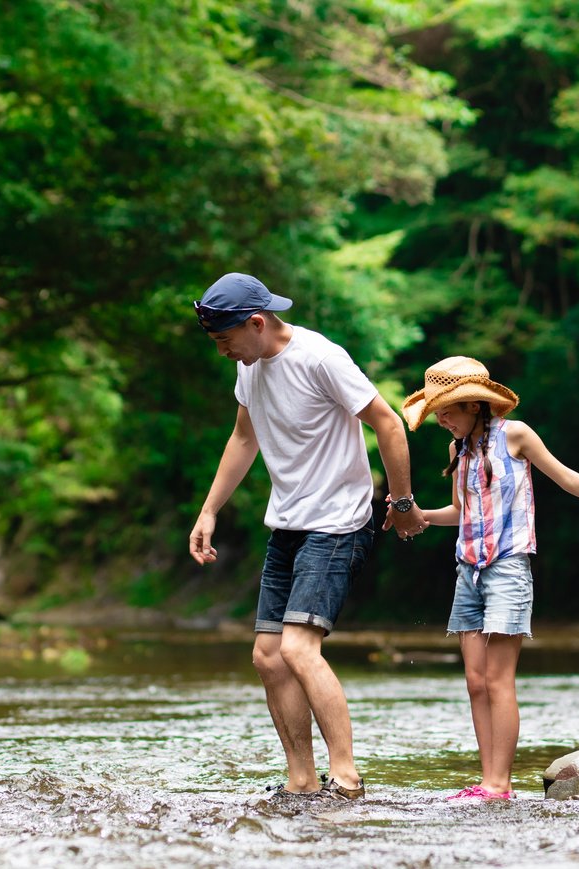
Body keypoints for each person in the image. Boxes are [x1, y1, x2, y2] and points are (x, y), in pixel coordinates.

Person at [187, 272, 430, 801]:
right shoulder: (250, 370)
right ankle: (301, 779)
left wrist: (402, 501)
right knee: (267, 656)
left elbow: (387, 423)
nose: (223, 351)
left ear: (256, 323)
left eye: (225, 340)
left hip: (338, 522)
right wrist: (209, 511)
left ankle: (345, 777)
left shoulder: (321, 357)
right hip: (289, 524)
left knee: (298, 648)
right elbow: (243, 437)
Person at [401, 357, 579, 800]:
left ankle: (499, 784)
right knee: (475, 682)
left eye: (448, 409)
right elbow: (460, 513)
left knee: (499, 680)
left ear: (475, 405)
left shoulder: (515, 434)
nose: (441, 418)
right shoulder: (456, 452)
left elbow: (567, 479)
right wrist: (417, 517)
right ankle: (489, 780)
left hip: (508, 567)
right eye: (437, 411)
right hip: (468, 571)